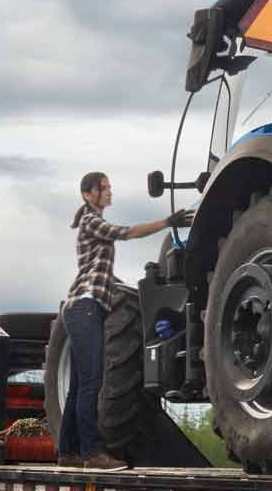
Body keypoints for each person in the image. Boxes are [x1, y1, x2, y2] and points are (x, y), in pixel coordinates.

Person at [59, 171, 193, 469]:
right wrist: (167, 223)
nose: (109, 192)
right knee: (91, 384)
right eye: (103, 188)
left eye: (109, 187)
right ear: (88, 193)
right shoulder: (91, 220)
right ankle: (92, 453)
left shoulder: (90, 220)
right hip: (84, 307)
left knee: (78, 387)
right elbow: (127, 233)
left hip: (86, 307)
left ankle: (67, 453)